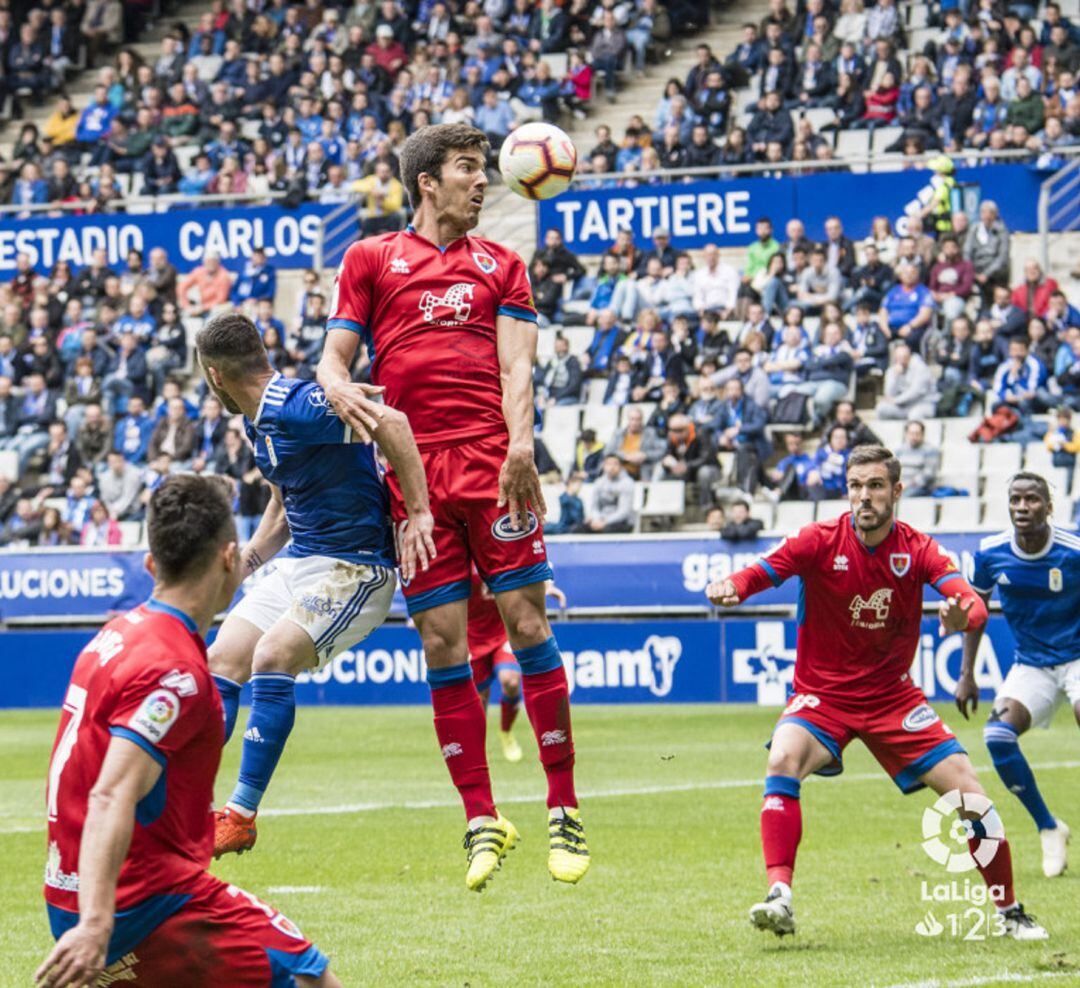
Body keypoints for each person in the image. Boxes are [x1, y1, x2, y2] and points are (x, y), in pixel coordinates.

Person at [320, 123, 590, 889]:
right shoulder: (371, 259)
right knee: (442, 643)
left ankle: (563, 806)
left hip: (494, 467)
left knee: (528, 624)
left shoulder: (503, 265)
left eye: (486, 170)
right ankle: (481, 816)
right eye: (469, 169)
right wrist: (337, 383)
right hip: (414, 480)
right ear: (427, 182)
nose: (484, 182)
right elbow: (334, 358)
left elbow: (519, 366)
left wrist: (520, 446)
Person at [706, 446, 1047, 942]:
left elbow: (969, 602)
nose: (864, 496)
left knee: (971, 794)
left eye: (875, 486)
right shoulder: (819, 540)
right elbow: (764, 570)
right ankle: (780, 895)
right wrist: (734, 585)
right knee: (782, 758)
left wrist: (962, 614)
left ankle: (1009, 911)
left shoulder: (920, 548)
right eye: (856, 486)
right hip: (823, 697)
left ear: (897, 492)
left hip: (894, 700)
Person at [36, 475, 342, 988]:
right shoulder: (175, 673)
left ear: (152, 565)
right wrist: (97, 923)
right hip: (140, 903)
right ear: (229, 559)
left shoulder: (115, 636)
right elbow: (112, 793)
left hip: (71, 891)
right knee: (309, 977)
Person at [195, 312, 432, 859]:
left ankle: (240, 815)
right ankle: (181, 804)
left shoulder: (298, 406)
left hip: (355, 567)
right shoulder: (259, 419)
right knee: (222, 658)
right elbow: (283, 500)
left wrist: (418, 513)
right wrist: (247, 561)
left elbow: (392, 423)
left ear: (215, 376)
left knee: (272, 656)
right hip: (301, 559)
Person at [958, 474, 1080, 880]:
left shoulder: (1073, 551)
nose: (1022, 507)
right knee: (996, 736)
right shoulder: (990, 553)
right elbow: (975, 613)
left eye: (1032, 499)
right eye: (1015, 499)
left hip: (1078, 656)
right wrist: (967, 675)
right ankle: (1049, 827)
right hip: (1031, 664)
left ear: (1049, 507)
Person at [466, 567, 525, 763]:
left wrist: (546, 585)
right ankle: (477, 752)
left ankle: (506, 732)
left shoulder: (498, 550)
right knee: (479, 700)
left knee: (510, 681)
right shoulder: (461, 557)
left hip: (503, 633)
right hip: (473, 637)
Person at [576, 454, 636, 533]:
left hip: (621, 521)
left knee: (607, 530)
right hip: (601, 519)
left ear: (621, 467)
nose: (612, 467)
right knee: (578, 529)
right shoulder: (599, 482)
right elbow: (594, 507)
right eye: (609, 464)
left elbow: (624, 511)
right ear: (604, 466)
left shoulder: (627, 483)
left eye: (615, 464)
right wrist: (597, 519)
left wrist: (605, 522)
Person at [894, 420, 939, 496]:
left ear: (923, 434)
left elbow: (928, 474)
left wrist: (907, 484)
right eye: (911, 433)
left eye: (917, 433)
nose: (914, 436)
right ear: (906, 434)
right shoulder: (899, 450)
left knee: (904, 495)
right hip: (901, 484)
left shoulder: (931, 450)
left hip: (920, 487)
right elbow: (894, 470)